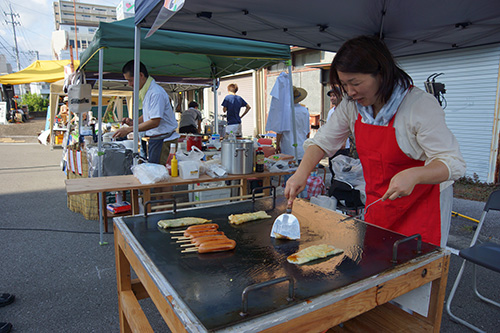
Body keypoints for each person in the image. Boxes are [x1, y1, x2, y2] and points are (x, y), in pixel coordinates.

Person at [285, 35, 465, 247]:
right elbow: (323, 141)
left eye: (356, 83)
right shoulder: (352, 106)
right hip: (379, 201)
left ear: (381, 73)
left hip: (421, 205)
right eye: (344, 84)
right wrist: (301, 173)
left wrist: (415, 174)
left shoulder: (419, 105)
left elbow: (454, 163)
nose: (350, 92)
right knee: (377, 262)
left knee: (413, 270)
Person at [113, 60, 179, 165]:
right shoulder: (147, 91)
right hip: (157, 140)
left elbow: (155, 122)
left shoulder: (155, 92)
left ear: (140, 75)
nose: (129, 84)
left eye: (130, 80)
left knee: (160, 175)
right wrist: (134, 122)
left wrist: (129, 129)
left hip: (164, 141)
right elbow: (149, 115)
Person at [275, 86, 310, 161]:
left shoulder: (284, 112)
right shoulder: (305, 111)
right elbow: (307, 132)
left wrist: (277, 144)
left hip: (288, 149)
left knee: (289, 171)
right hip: (302, 148)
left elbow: (280, 132)